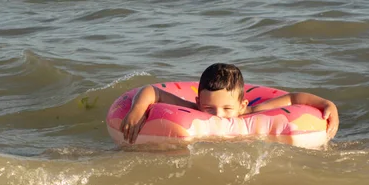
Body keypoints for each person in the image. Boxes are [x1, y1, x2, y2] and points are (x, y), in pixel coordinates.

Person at [120, 63, 339, 144]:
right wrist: (136, 110)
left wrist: (327, 104)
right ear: (198, 101)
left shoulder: (251, 112)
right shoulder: (192, 110)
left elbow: (293, 98)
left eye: (227, 109)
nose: (218, 115)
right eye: (209, 108)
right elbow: (152, 91)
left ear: (242, 105)